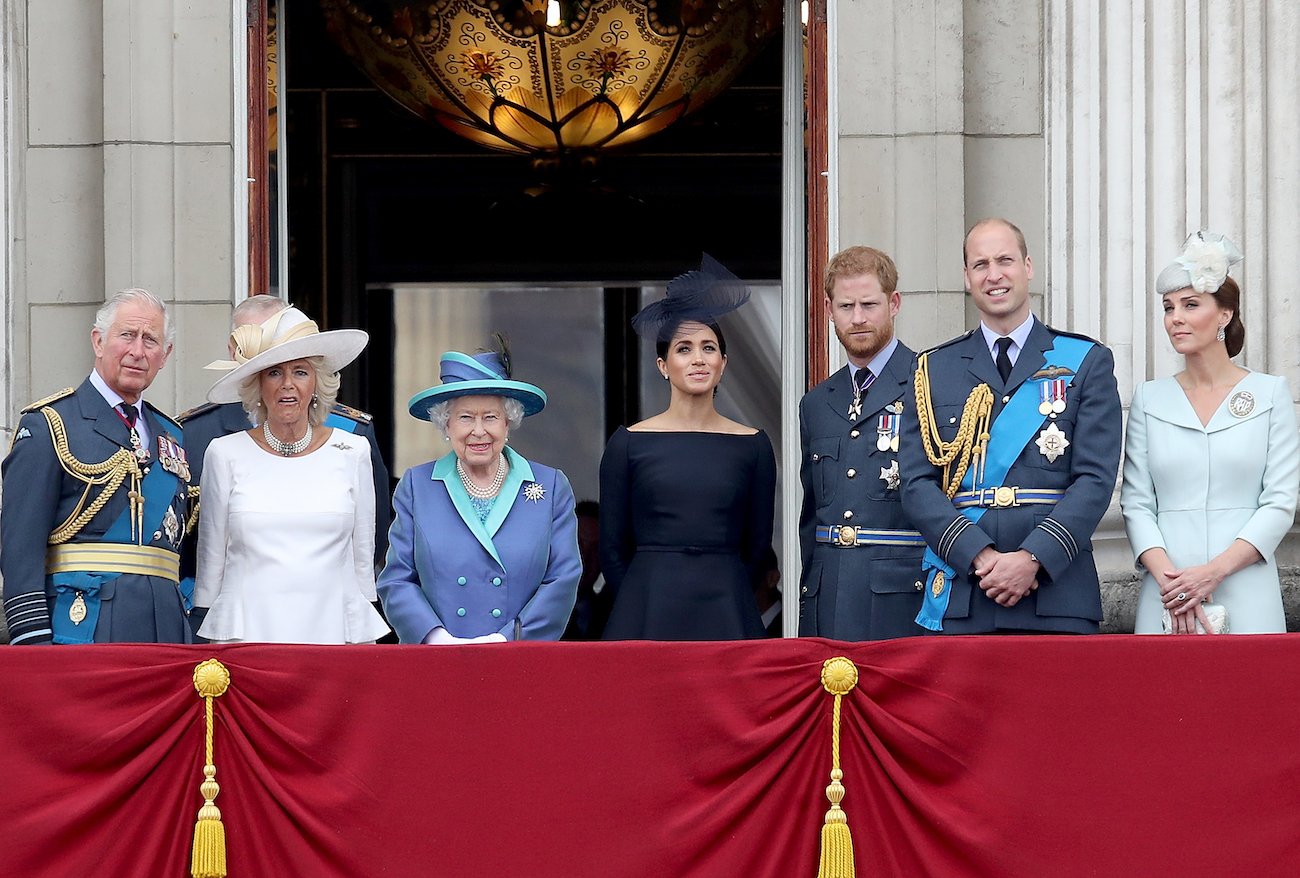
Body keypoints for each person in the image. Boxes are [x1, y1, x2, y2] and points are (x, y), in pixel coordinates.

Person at [898, 218, 1122, 634]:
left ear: (1028, 266)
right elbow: (915, 483)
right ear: (967, 278)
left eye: (1005, 260)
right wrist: (979, 557)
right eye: (980, 264)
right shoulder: (932, 369)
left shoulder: (1085, 361)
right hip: (966, 591)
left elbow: (1094, 480)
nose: (994, 274)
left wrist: (1033, 558)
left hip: (1056, 594)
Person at [1122, 231, 1299, 634]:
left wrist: (1212, 573)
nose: (1175, 318)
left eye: (1190, 305)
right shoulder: (1149, 399)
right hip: (1167, 593)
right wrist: (1175, 583)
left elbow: (1279, 503)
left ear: (1224, 314)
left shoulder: (1269, 393)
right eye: (1168, 308)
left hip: (1245, 586)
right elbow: (1136, 504)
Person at [1, 289, 193, 644]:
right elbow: (20, 546)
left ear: (165, 356)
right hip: (82, 628)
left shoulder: (174, 436)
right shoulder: (51, 424)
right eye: (127, 335)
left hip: (166, 633)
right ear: (98, 341)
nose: (137, 351)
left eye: (150, 340)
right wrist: (32, 639)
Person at [600, 254, 776, 640]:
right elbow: (612, 549)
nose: (698, 358)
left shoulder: (754, 445)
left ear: (723, 362)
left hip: (727, 608)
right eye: (684, 348)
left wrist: (724, 584)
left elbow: (758, 546)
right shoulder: (628, 443)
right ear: (663, 365)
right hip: (646, 608)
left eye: (708, 347)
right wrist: (643, 593)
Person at [193, 307, 390, 643]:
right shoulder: (223, 453)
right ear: (257, 384)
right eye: (273, 373)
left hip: (333, 636)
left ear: (317, 382)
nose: (288, 385)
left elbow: (362, 572)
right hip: (247, 639)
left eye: (300, 372)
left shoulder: (353, 451)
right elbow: (210, 570)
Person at [377, 344, 581, 643]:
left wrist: (507, 639)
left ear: (508, 423)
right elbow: (397, 579)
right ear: (445, 424)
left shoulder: (550, 486)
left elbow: (563, 579)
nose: (479, 431)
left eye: (490, 417)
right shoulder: (417, 486)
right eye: (465, 418)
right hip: (440, 659)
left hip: (520, 658)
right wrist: (435, 638)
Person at [798, 245, 927, 640]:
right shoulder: (817, 402)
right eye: (846, 306)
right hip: (828, 598)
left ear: (894, 303)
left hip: (903, 601)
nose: (857, 318)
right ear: (828, 309)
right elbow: (811, 519)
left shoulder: (930, 384)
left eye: (869, 304)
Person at [562, 500, 614, 640]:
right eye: (578, 544)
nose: (584, 556)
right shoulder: (535, 606)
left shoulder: (614, 613)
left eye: (596, 549)